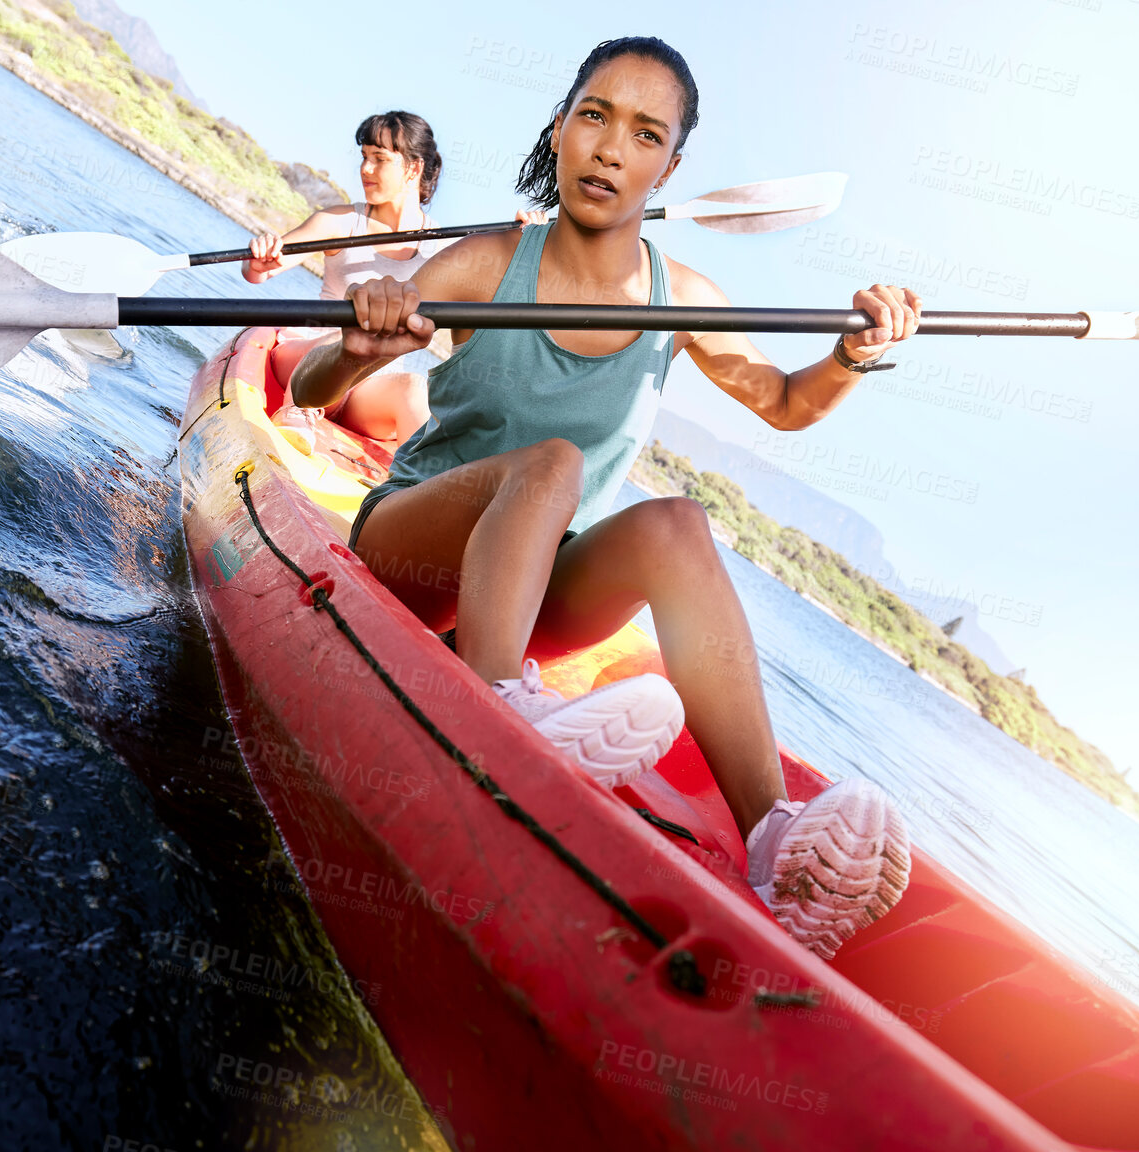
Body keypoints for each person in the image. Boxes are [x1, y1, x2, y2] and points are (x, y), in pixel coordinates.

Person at [286, 37, 918, 960]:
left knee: (676, 522)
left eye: (645, 132)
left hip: (535, 589)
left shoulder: (682, 296)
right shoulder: (483, 262)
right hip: (414, 552)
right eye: (594, 115)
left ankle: (771, 838)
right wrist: (360, 338)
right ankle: (500, 703)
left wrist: (854, 356)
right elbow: (309, 386)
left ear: (670, 164)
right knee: (550, 465)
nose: (612, 147)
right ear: (561, 127)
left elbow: (783, 402)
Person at [242, 110, 544, 452]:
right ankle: (297, 414)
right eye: (364, 158)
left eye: (379, 159)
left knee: (414, 389)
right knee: (344, 332)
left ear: (413, 168)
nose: (366, 169)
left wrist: (520, 239)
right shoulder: (339, 222)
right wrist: (261, 257)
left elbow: (503, 285)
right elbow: (260, 272)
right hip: (303, 367)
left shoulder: (444, 250)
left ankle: (412, 483)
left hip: (366, 389)